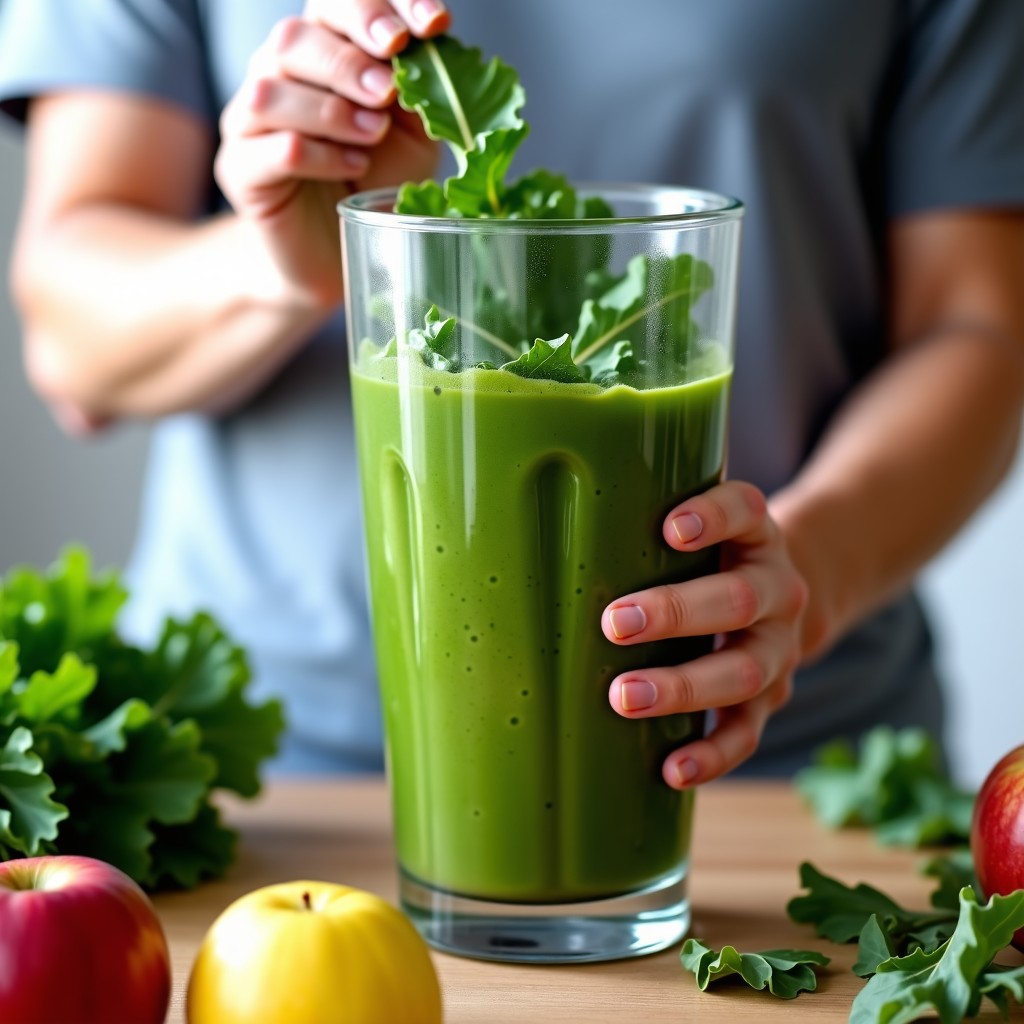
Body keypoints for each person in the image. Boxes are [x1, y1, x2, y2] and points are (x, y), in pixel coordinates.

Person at [0, 0, 1022, 782]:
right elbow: (71, 335)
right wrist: (292, 267)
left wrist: (805, 576)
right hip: (274, 773)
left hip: (766, 758)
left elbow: (978, 326)